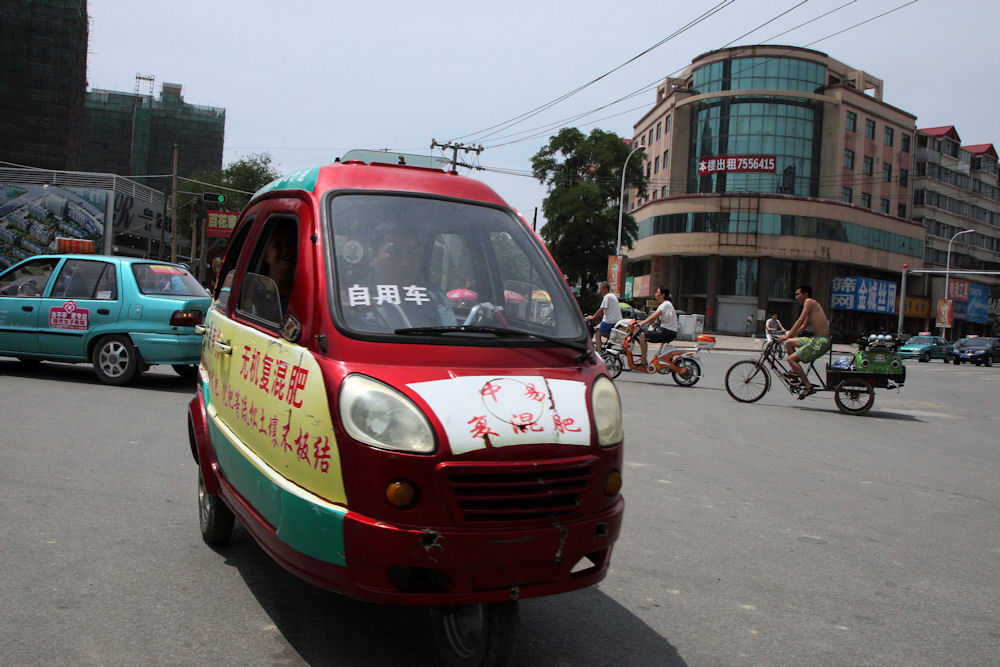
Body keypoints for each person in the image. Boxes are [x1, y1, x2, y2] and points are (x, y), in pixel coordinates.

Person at [778, 284, 831, 399]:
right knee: (789, 343)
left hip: (820, 342)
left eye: (798, 294)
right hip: (816, 339)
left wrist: (787, 336)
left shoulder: (809, 302)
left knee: (791, 359)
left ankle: (808, 386)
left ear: (805, 294)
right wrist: (789, 335)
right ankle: (795, 372)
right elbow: (803, 326)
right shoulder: (812, 306)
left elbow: (799, 320)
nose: (796, 297)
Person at [637, 286, 678, 365]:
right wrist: (642, 321)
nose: (655, 294)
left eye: (657, 292)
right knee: (645, 334)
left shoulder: (665, 305)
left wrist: (642, 323)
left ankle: (643, 360)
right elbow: (654, 317)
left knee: (642, 335)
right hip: (667, 331)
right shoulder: (666, 304)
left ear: (663, 295)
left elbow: (654, 316)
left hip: (666, 332)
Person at [586, 281, 622, 353]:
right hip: (615, 321)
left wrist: (592, 317)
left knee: (597, 334)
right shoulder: (612, 296)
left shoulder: (607, 296)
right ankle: (611, 340)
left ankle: (599, 353)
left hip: (610, 322)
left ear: (605, 289)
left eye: (601, 289)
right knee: (597, 328)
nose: (600, 291)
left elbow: (601, 309)